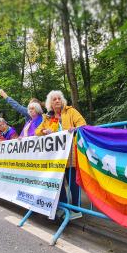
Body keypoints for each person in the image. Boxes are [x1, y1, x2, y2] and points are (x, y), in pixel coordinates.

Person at [35, 90, 87, 220]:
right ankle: (64, 208)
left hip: (70, 154)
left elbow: (82, 124)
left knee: (73, 182)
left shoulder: (70, 111)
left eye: (59, 98)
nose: (57, 100)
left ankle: (76, 208)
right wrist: (44, 130)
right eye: (54, 99)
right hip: (55, 157)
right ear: (50, 103)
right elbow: (37, 132)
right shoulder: (47, 117)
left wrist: (74, 129)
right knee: (59, 182)